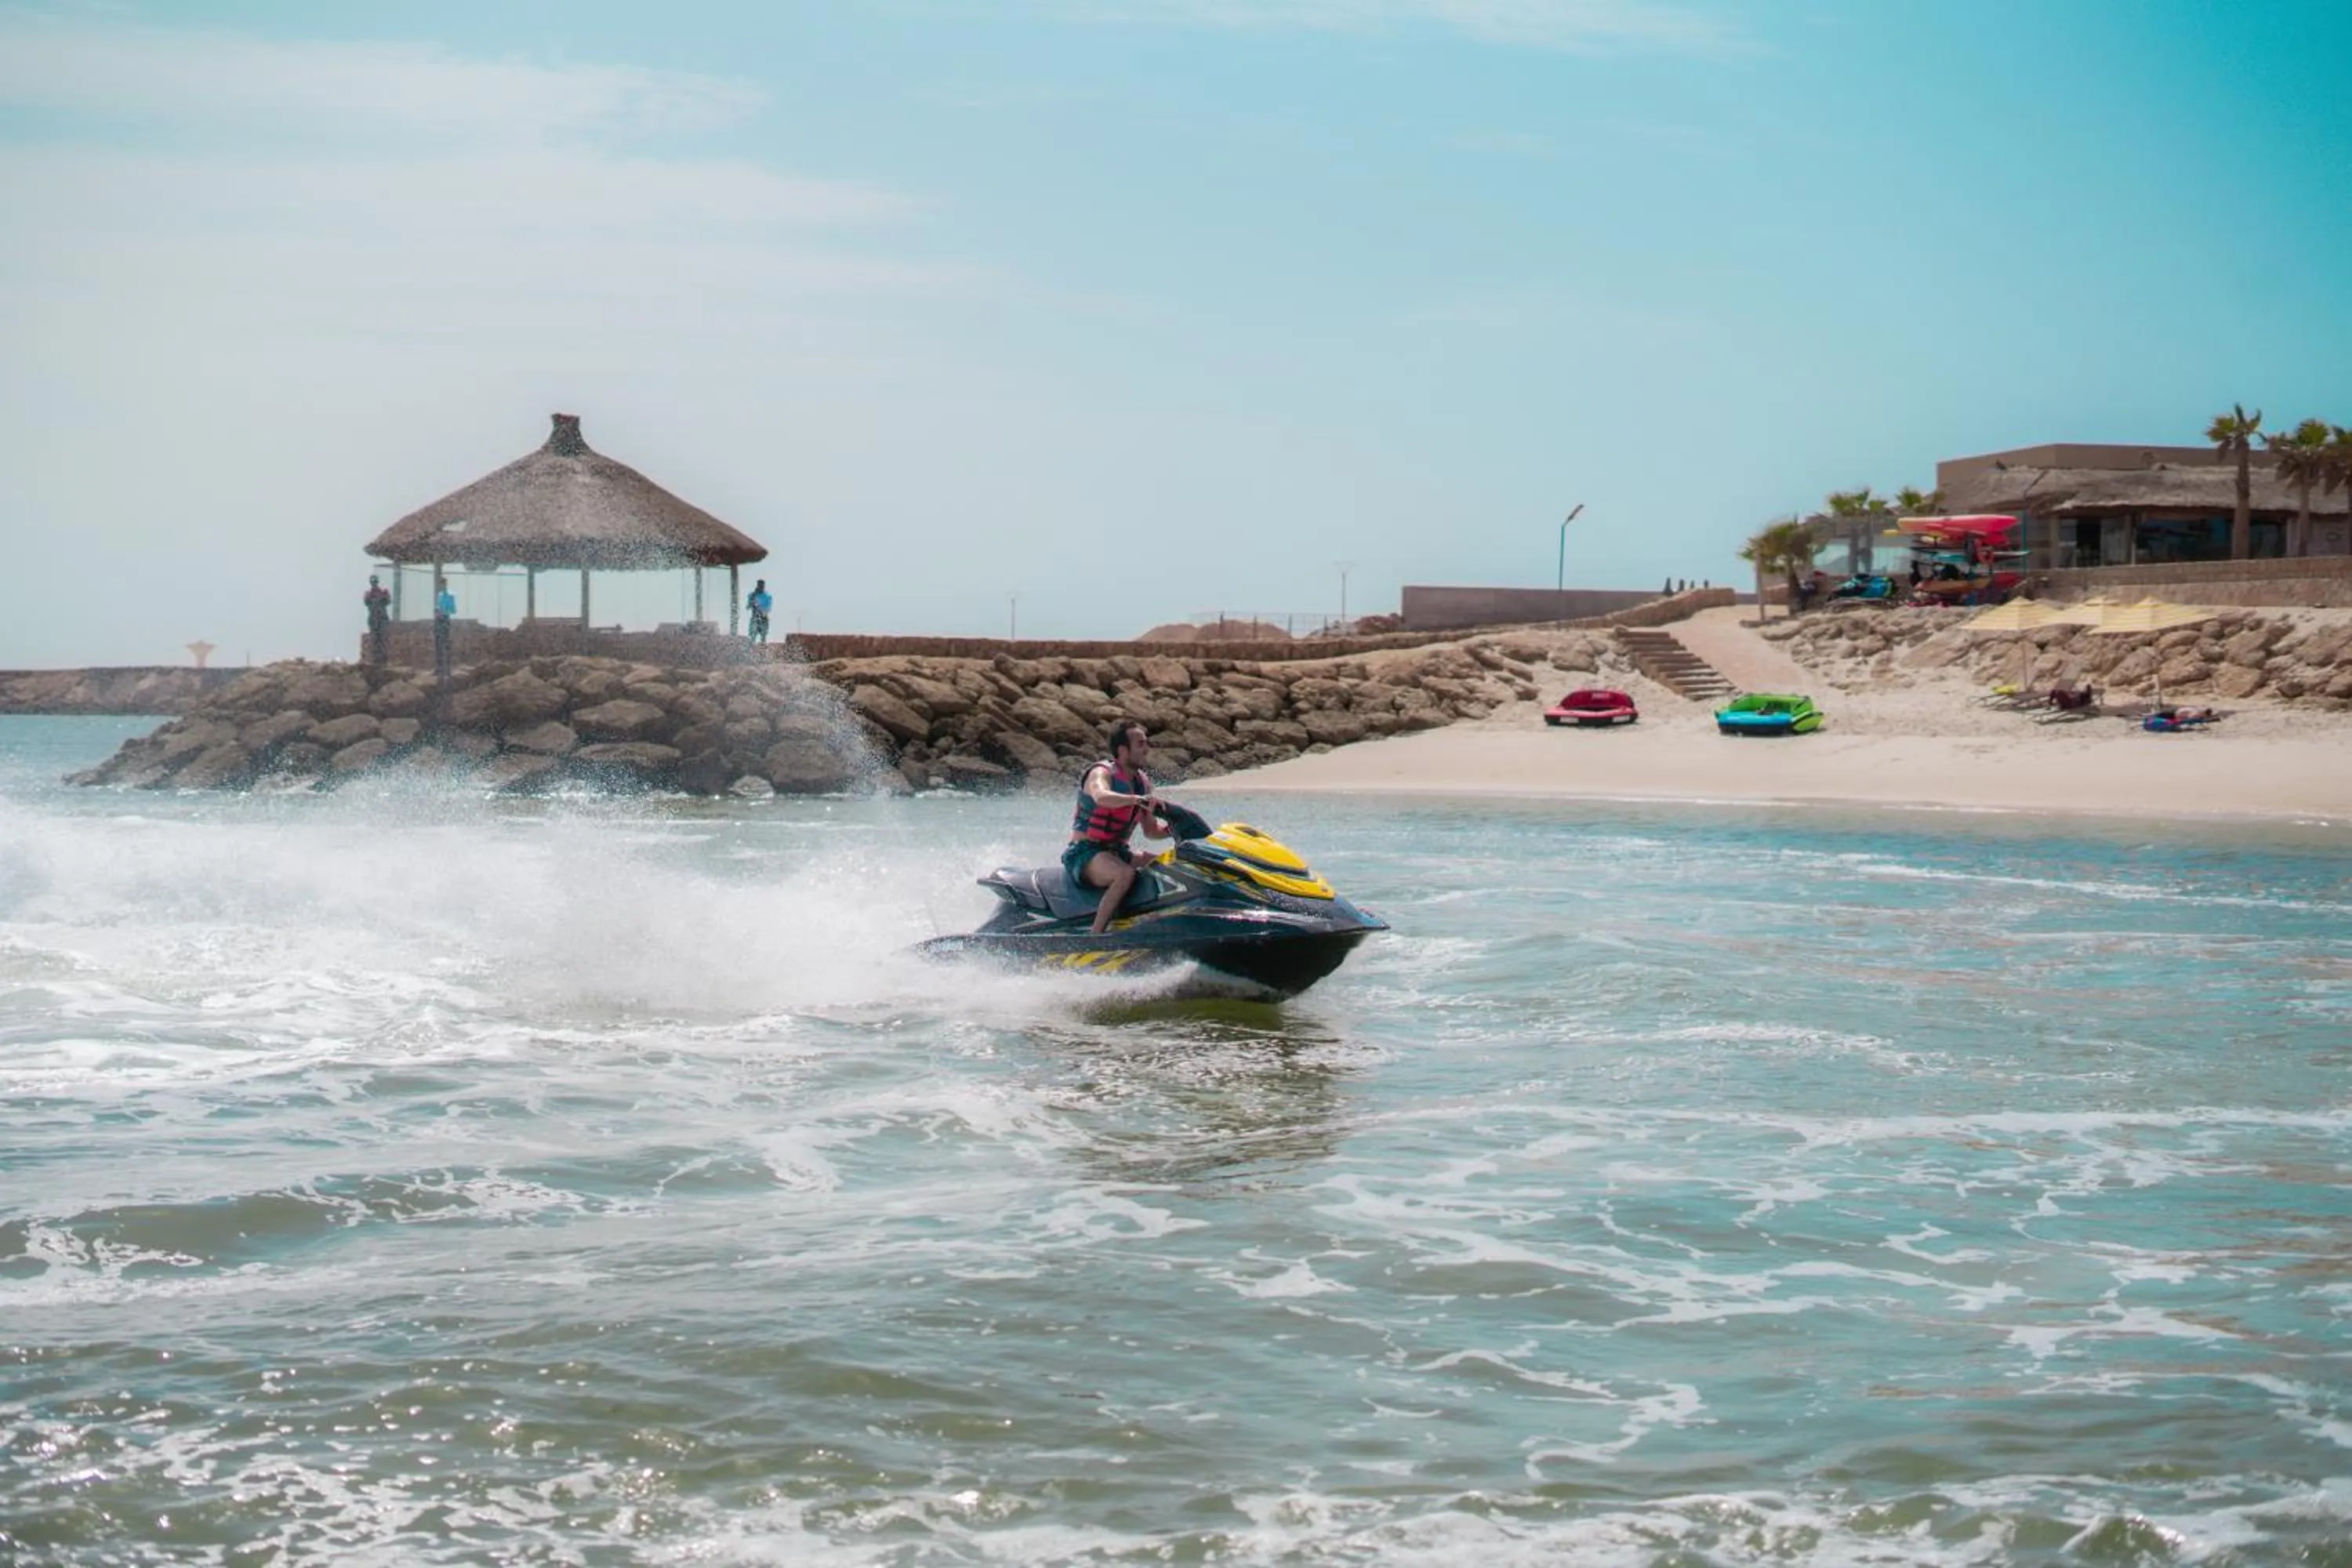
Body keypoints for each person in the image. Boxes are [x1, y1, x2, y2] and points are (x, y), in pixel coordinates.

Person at [1064, 719, 1171, 935]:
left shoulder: (1143, 783)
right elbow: (1101, 797)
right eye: (1140, 744)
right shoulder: (1102, 774)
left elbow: (1150, 831)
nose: (1146, 749)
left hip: (1118, 852)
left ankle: (1160, 922)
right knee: (1124, 874)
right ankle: (1096, 937)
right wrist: (1134, 799)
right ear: (1123, 750)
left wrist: (1173, 829)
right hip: (1085, 853)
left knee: (1166, 865)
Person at [362, 574, 392, 669]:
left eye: (375, 581)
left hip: (382, 619)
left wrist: (382, 596)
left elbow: (388, 601)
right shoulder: (369, 594)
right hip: (374, 619)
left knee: (382, 639)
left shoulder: (383, 593)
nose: (374, 584)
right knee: (375, 640)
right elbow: (366, 602)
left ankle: (383, 660)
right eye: (373, 582)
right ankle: (376, 660)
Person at [432, 576, 457, 682]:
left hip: (444, 621)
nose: (441, 586)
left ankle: (447, 670)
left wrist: (443, 611)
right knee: (438, 645)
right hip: (438, 621)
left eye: (442, 584)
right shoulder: (439, 595)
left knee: (444, 645)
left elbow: (453, 609)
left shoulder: (449, 595)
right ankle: (439, 668)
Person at [746, 578, 773, 644]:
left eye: (762, 586)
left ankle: (762, 650)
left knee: (763, 638)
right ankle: (751, 650)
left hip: (764, 618)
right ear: (757, 585)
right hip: (754, 618)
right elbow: (748, 607)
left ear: (764, 586)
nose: (761, 587)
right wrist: (752, 600)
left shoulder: (767, 596)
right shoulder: (752, 595)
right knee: (752, 637)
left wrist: (760, 609)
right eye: (759, 586)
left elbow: (768, 608)